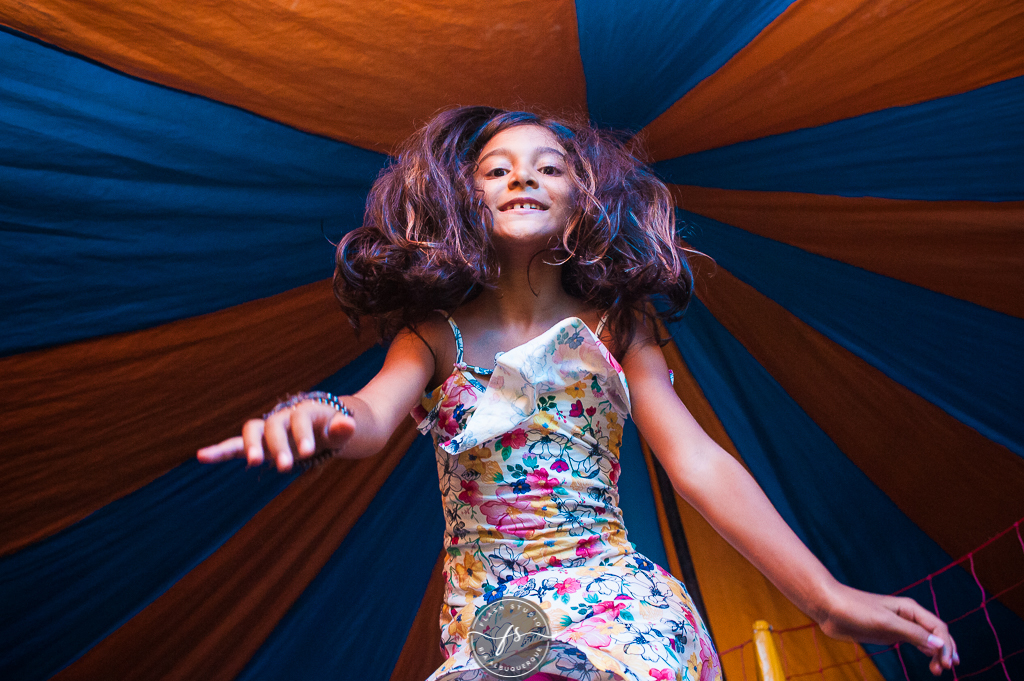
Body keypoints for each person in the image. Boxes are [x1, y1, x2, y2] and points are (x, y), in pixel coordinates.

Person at [197, 106, 958, 681]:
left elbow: (695, 461)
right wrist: (317, 412)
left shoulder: (619, 325)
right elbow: (367, 416)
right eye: (496, 169)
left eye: (548, 166)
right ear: (467, 202)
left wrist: (824, 597)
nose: (522, 176)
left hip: (616, 598)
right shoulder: (435, 335)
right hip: (491, 621)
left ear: (582, 198)